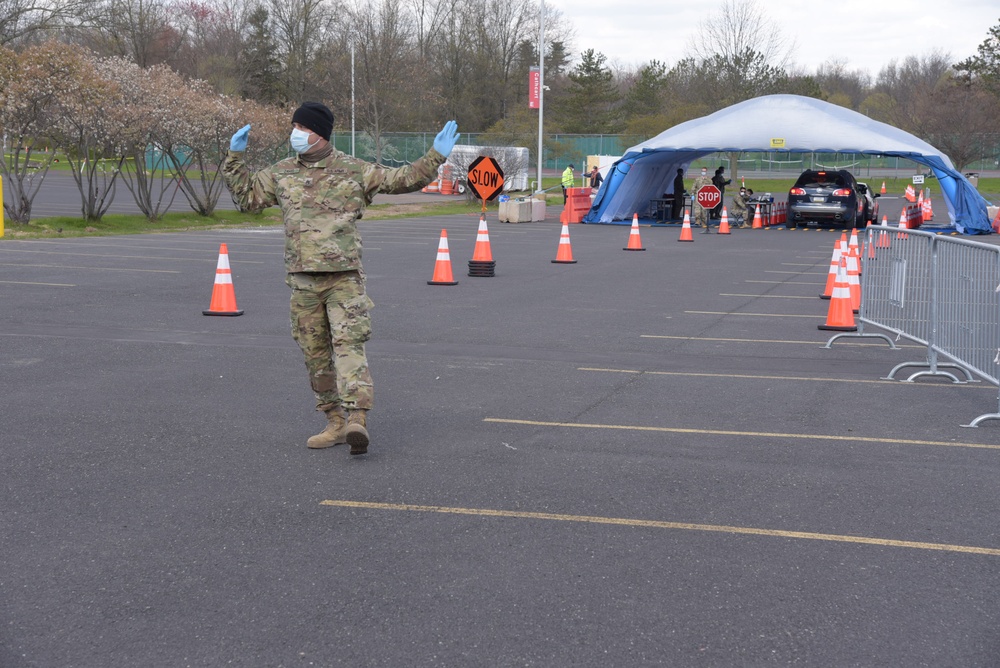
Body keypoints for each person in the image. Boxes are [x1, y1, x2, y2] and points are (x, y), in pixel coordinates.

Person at [222, 102, 459, 456]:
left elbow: (402, 179)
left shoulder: (353, 170)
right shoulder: (282, 172)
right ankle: (333, 420)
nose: (296, 133)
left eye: (303, 127)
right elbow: (247, 199)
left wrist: (434, 156)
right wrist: (234, 157)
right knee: (314, 354)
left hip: (343, 278)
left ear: (321, 134)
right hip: (302, 281)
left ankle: (356, 419)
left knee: (349, 346)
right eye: (295, 126)